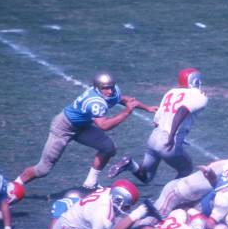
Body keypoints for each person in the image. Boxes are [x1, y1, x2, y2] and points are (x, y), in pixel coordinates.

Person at [15, 72, 157, 190]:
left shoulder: (111, 92)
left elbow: (122, 99)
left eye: (111, 87)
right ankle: (14, 187)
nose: (110, 91)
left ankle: (91, 183)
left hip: (82, 126)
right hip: (64, 127)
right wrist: (126, 113)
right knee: (43, 169)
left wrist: (147, 107)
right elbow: (104, 126)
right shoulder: (95, 102)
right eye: (105, 88)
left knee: (108, 148)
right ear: (97, 88)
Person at [109, 68, 207, 183]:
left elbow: (157, 121)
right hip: (168, 141)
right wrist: (171, 136)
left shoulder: (170, 92)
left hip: (154, 137)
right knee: (186, 169)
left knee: (146, 177)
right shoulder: (199, 95)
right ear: (195, 80)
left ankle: (130, 165)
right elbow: (182, 110)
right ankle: (170, 195)